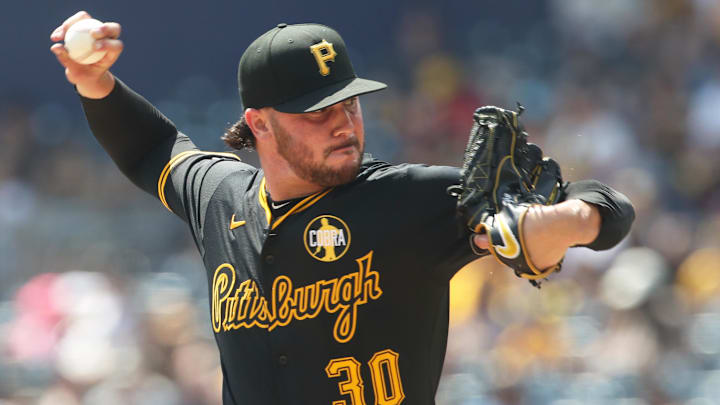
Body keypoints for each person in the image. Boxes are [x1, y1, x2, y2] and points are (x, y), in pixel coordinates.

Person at [50, 11, 634, 405]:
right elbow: (154, 149)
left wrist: (566, 221)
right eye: (316, 111)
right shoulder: (221, 197)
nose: (343, 123)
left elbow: (611, 206)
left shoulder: (413, 199)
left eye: (349, 103)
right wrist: (94, 82)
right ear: (259, 124)